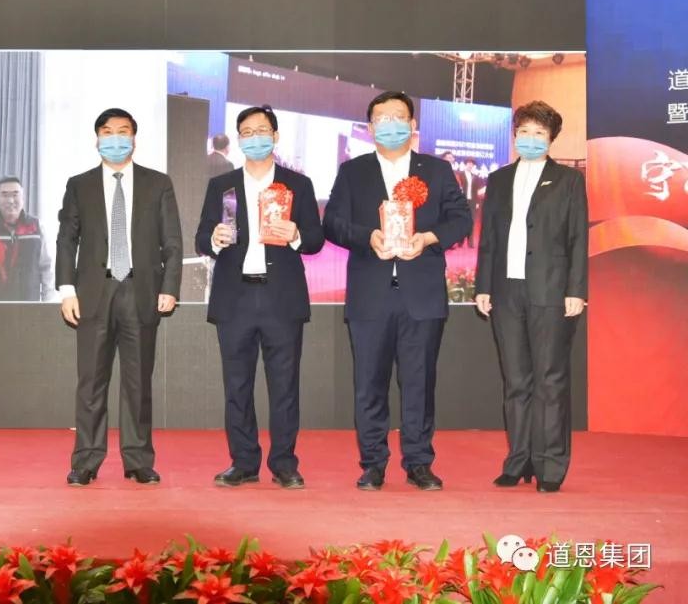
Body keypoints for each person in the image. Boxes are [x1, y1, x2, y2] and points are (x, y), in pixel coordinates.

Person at [322, 91, 471, 492]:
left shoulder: (437, 170)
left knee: (419, 383)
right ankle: (373, 463)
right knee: (369, 384)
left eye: (398, 117)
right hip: (370, 293)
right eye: (382, 119)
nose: (390, 125)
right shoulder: (353, 172)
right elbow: (332, 222)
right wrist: (366, 236)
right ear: (370, 128)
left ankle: (419, 462)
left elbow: (461, 219)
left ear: (412, 124)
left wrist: (428, 238)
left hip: (421, 294)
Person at [195, 105, 325, 489]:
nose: (255, 138)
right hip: (234, 298)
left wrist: (296, 235)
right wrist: (213, 240)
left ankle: (284, 463)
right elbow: (201, 236)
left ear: (276, 136)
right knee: (237, 386)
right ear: (239, 140)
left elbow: (316, 239)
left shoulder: (297, 185)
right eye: (247, 132)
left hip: (281, 298)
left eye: (262, 130)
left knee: (284, 386)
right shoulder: (222, 185)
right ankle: (243, 461)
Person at [55, 107, 183, 486]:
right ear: (97, 139)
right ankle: (86, 460)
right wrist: (67, 290)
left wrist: (170, 287)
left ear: (134, 139)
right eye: (108, 132)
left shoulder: (157, 184)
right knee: (91, 383)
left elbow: (172, 241)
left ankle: (138, 459)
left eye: (123, 131)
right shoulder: (79, 185)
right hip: (94, 293)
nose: (115, 139)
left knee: (138, 382)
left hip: (141, 292)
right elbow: (67, 240)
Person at [475, 100, 587, 493]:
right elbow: (488, 238)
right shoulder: (499, 179)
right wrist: (483, 286)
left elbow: (578, 237)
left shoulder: (569, 180)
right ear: (515, 135)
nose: (531, 138)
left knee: (550, 380)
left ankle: (550, 465)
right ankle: (518, 460)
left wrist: (576, 290)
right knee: (516, 380)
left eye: (540, 133)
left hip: (552, 290)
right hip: (507, 290)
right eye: (524, 131)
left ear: (552, 138)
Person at [0, 176, 55, 302]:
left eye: (15, 194)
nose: (10, 200)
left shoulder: (38, 228)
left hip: (29, 306)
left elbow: (47, 269)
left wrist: (48, 304)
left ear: (23, 198)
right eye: (5, 195)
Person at [461, 158, 481, 247]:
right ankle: (460, 241)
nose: (470, 165)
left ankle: (471, 242)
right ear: (465, 164)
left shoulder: (475, 176)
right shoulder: (460, 175)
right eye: (468, 163)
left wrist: (477, 202)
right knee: (461, 220)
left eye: (472, 164)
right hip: (462, 201)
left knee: (471, 221)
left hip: (472, 201)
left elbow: (476, 191)